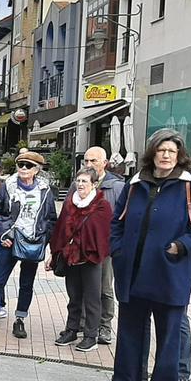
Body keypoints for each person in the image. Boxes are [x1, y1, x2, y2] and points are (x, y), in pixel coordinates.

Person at [102, 129, 191, 381]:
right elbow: (117, 221)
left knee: (169, 329)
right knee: (129, 328)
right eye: (161, 150)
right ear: (153, 153)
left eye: (172, 152)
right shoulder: (135, 183)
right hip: (134, 268)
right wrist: (119, 250)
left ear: (179, 156)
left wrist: (180, 246)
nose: (166, 155)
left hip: (169, 269)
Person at [0, 150, 58, 339]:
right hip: (10, 240)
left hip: (32, 241)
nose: (23, 168)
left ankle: (20, 320)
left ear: (37, 170)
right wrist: (3, 234)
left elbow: (51, 219)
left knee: (27, 283)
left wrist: (43, 238)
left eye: (29, 165)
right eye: (20, 165)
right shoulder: (8, 186)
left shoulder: (45, 190)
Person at [47, 167, 113, 353]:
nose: (81, 184)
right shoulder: (70, 203)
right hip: (71, 258)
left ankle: (91, 335)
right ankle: (71, 330)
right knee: (74, 297)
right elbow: (60, 230)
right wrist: (54, 253)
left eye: (85, 181)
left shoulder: (102, 206)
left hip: (91, 259)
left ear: (93, 184)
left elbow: (104, 233)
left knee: (92, 299)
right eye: (78, 181)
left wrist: (88, 246)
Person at [81, 146, 126, 343]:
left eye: (94, 161)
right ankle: (84, 323)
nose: (89, 165)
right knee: (82, 286)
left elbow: (123, 217)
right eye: (86, 161)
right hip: (82, 246)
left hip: (106, 248)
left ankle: (105, 326)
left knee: (105, 288)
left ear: (104, 163)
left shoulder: (116, 187)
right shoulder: (79, 183)